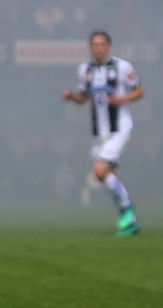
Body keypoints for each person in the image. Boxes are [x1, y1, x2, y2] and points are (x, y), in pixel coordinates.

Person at [61, 30, 144, 236]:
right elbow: (83, 97)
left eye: (101, 44)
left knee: (99, 171)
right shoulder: (85, 70)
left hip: (120, 129)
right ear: (90, 47)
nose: (98, 48)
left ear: (109, 46)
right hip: (100, 133)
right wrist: (71, 96)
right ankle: (131, 223)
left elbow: (139, 90)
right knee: (110, 176)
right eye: (94, 45)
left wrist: (123, 99)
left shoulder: (122, 67)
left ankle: (127, 207)